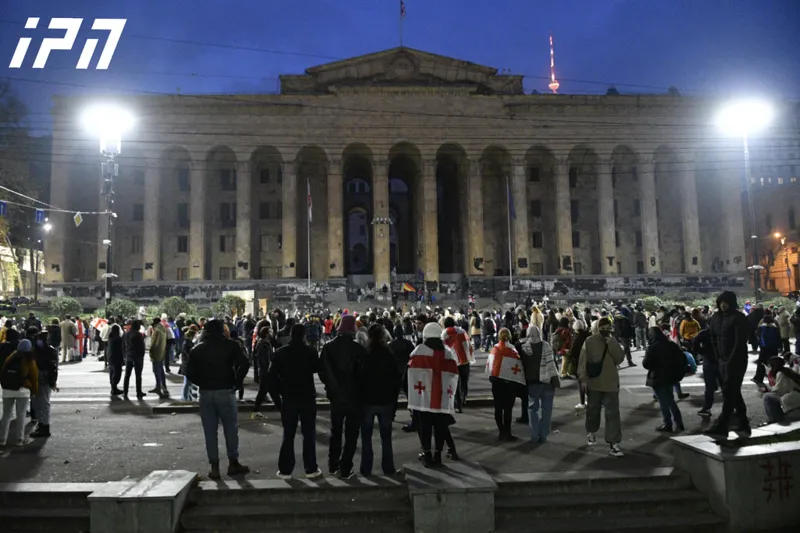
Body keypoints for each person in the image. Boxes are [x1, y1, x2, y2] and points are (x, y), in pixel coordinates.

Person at [187, 318, 250, 480]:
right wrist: (237, 381)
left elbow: (189, 373)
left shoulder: (197, 349)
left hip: (206, 392)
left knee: (210, 431)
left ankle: (214, 467)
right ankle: (233, 462)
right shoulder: (231, 345)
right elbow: (244, 363)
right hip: (226, 389)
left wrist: (202, 382)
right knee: (230, 428)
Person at [267, 323, 322, 480]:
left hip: (289, 397)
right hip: (307, 396)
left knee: (288, 435)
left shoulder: (280, 353)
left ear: (291, 335)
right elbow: (317, 368)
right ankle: (310, 468)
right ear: (304, 335)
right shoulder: (310, 352)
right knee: (309, 434)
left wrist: (278, 400)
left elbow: (271, 379)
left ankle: (285, 470)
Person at [319, 314, 366, 478]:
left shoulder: (328, 347)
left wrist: (331, 388)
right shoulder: (359, 349)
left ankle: (333, 465)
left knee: (335, 432)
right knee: (351, 434)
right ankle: (345, 467)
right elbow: (362, 375)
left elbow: (323, 372)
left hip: (336, 397)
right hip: (354, 397)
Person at [407, 322, 459, 468]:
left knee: (425, 427)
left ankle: (427, 455)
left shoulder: (419, 350)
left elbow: (411, 372)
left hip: (423, 398)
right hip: (442, 398)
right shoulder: (448, 352)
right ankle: (438, 455)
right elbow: (454, 374)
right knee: (440, 427)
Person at [578, 317, 626, 457]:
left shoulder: (613, 341)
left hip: (611, 383)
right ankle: (591, 431)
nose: (605, 330)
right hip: (594, 383)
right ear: (598, 328)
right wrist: (584, 380)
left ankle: (614, 443)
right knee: (593, 411)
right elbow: (583, 362)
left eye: (608, 327)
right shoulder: (590, 341)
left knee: (613, 414)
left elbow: (619, 358)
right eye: (603, 327)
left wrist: (612, 343)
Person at [706, 291, 751, 439]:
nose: (724, 305)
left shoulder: (738, 318)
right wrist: (717, 356)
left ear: (732, 303)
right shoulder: (715, 317)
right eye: (721, 302)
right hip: (721, 360)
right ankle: (743, 422)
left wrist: (730, 360)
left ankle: (722, 424)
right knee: (732, 392)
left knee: (729, 391)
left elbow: (739, 343)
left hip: (736, 360)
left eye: (727, 302)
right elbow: (712, 337)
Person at [358, 324, 400, 476]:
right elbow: (396, 379)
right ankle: (388, 468)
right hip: (386, 400)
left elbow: (359, 378)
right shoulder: (389, 354)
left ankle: (366, 468)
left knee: (366, 438)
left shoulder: (365, 354)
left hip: (368, 401)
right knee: (386, 438)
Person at [518, 325, 559, 443]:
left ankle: (534, 435)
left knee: (532, 409)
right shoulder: (546, 345)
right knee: (547, 410)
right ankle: (544, 435)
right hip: (547, 383)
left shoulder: (524, 348)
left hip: (532, 383)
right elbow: (552, 364)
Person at [643, 327, 685, 433]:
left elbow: (646, 364)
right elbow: (682, 358)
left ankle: (668, 424)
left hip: (658, 378)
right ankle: (679, 422)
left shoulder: (652, 347)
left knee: (664, 402)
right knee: (670, 400)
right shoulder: (671, 345)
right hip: (670, 377)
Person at [487, 328, 526, 441]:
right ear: (509, 336)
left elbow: (490, 365)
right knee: (508, 409)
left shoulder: (494, 349)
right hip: (509, 384)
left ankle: (501, 432)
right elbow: (518, 367)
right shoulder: (512, 350)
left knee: (498, 408)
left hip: (496, 383)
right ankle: (507, 434)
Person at [0, 339, 38, 447]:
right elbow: (34, 377)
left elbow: (2, 372)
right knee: (21, 415)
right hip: (23, 391)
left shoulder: (10, 357)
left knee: (6, 415)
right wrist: (34, 391)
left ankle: (2, 440)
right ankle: (19, 439)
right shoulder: (29, 359)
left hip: (7, 390)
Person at [29, 330, 58, 438]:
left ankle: (44, 427)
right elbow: (54, 368)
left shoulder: (39, 350)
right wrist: (53, 381)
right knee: (42, 403)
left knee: (42, 403)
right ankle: (42, 425)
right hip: (47, 378)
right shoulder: (50, 350)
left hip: (41, 377)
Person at [442, 316, 474, 413]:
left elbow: (444, 348)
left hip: (453, 362)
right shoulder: (462, 331)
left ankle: (458, 405)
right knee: (464, 382)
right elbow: (469, 345)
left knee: (455, 383)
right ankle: (464, 398)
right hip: (465, 360)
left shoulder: (445, 333)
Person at [762, 356, 800, 423]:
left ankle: (774, 420)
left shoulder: (781, 373)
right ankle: (778, 418)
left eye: (768, 366)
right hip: (795, 399)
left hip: (795, 402)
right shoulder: (786, 370)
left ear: (773, 366)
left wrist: (766, 389)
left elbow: (778, 391)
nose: (767, 368)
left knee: (767, 397)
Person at [694, 326, 718, 418]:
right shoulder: (723, 331)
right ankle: (733, 407)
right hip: (722, 360)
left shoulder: (704, 333)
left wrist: (703, 352)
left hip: (709, 361)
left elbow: (695, 345)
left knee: (709, 386)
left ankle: (707, 408)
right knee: (726, 385)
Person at [753, 312, 781, 391]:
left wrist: (759, 344)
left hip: (764, 348)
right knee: (774, 363)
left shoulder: (761, 328)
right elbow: (779, 338)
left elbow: (757, 336)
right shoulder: (775, 328)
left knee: (761, 363)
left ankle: (758, 378)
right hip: (773, 348)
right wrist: (779, 346)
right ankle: (774, 378)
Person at [123, 320, 147, 399]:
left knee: (127, 375)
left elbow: (123, 345)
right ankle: (138, 392)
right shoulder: (139, 335)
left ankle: (125, 391)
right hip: (137, 357)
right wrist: (142, 355)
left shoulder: (126, 334)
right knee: (138, 376)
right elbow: (142, 347)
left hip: (129, 356)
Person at [148, 317, 168, 398]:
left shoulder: (156, 331)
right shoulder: (163, 329)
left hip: (156, 353)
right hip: (161, 352)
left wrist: (150, 351)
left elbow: (153, 344)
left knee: (156, 371)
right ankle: (163, 386)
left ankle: (158, 388)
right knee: (161, 370)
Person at [106, 324, 124, 395]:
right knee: (117, 373)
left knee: (112, 373)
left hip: (110, 358)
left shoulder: (110, 338)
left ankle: (113, 388)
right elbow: (121, 349)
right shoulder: (118, 338)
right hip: (117, 358)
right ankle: (114, 388)